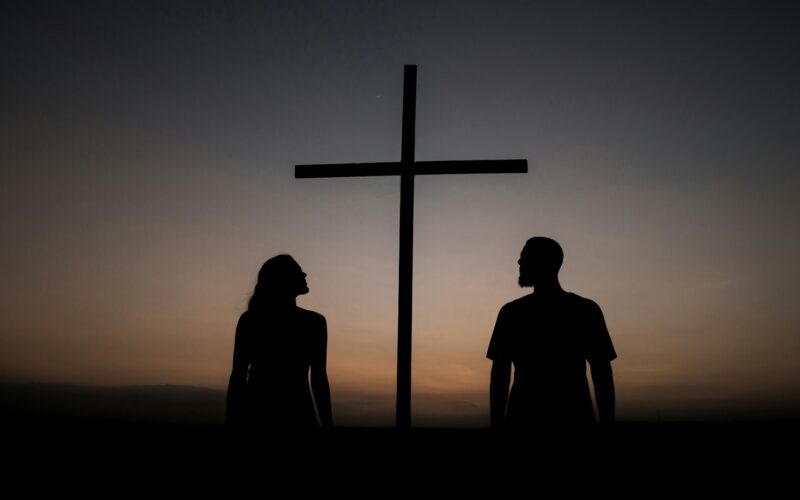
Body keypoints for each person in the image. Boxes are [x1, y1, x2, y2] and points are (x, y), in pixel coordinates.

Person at [488, 237, 616, 429]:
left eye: (525, 257)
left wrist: (496, 427)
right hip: (551, 421)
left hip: (536, 422)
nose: (519, 262)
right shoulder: (585, 310)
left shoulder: (513, 313)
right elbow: (500, 374)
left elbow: (602, 373)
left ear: (545, 262)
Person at [226, 255, 332, 430]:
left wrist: (230, 422)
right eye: (298, 271)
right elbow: (318, 379)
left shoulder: (250, 320)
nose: (305, 274)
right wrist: (328, 425)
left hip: (257, 415)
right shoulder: (314, 322)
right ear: (283, 279)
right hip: (297, 415)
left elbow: (238, 377)